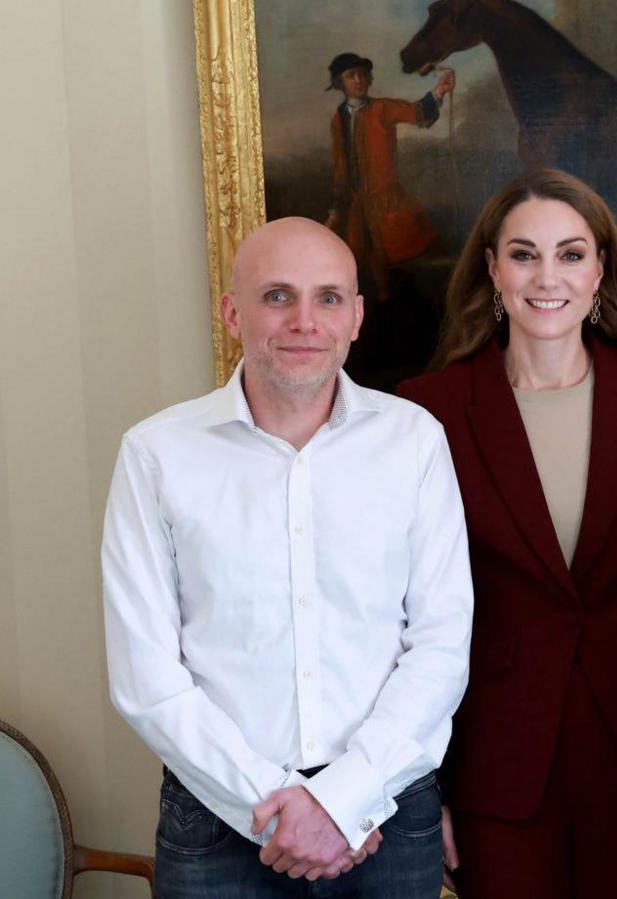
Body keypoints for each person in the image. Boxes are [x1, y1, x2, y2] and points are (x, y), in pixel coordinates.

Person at [102, 217, 473, 896]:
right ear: (232, 311)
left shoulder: (415, 441)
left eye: (328, 297)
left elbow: (442, 644)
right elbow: (146, 674)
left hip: (385, 812)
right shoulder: (156, 455)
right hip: (218, 819)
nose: (305, 320)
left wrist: (343, 797)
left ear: (357, 316)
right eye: (277, 296)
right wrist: (278, 805)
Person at [396, 169, 617, 898]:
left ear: (600, 272)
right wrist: (419, 791)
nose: (546, 276)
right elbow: (401, 612)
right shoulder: (428, 407)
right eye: (524, 254)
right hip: (491, 752)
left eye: (571, 253)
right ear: (492, 270)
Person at [325, 51, 455, 301]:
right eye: (351, 76)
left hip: (387, 200)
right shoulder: (338, 120)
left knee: (411, 252)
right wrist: (337, 208)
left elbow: (417, 112)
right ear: (340, 82)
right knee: (361, 261)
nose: (359, 80)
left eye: (363, 75)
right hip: (355, 204)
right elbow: (341, 168)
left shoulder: (382, 108)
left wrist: (439, 90)